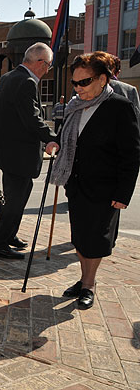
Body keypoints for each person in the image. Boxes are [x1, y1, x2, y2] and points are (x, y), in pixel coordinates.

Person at [50, 52, 140, 309]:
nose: (78, 88)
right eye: (75, 83)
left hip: (105, 187)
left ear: (102, 79)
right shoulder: (74, 106)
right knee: (79, 237)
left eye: (85, 82)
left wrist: (123, 194)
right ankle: (82, 278)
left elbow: (131, 154)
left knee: (96, 240)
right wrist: (56, 142)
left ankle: (89, 283)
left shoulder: (120, 107)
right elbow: (68, 135)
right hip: (76, 183)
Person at [0, 42, 59, 259]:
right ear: (39, 63)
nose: (48, 70)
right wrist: (52, 138)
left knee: (17, 198)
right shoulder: (26, 82)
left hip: (9, 152)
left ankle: (9, 235)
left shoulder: (8, 77)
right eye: (48, 65)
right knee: (15, 200)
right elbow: (32, 119)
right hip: (19, 154)